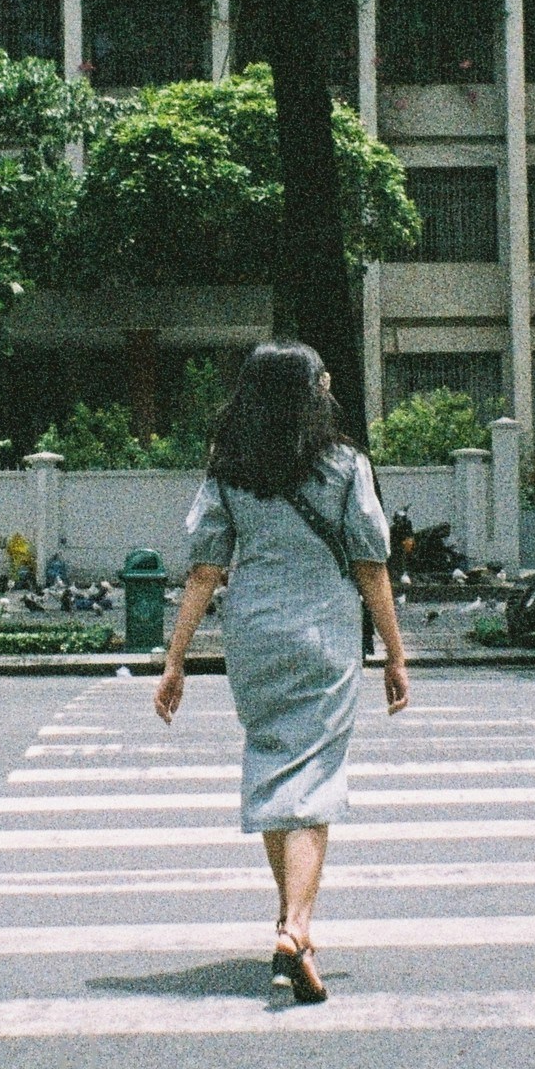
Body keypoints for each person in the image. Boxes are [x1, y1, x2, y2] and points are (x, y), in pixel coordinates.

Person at [153, 342, 409, 1003]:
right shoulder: (345, 464)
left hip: (254, 632)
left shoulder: (228, 468)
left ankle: (288, 926)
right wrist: (395, 651)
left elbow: (204, 569)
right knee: (312, 781)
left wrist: (175, 658)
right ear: (309, 392)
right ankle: (296, 927)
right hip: (324, 632)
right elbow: (370, 563)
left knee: (274, 769)